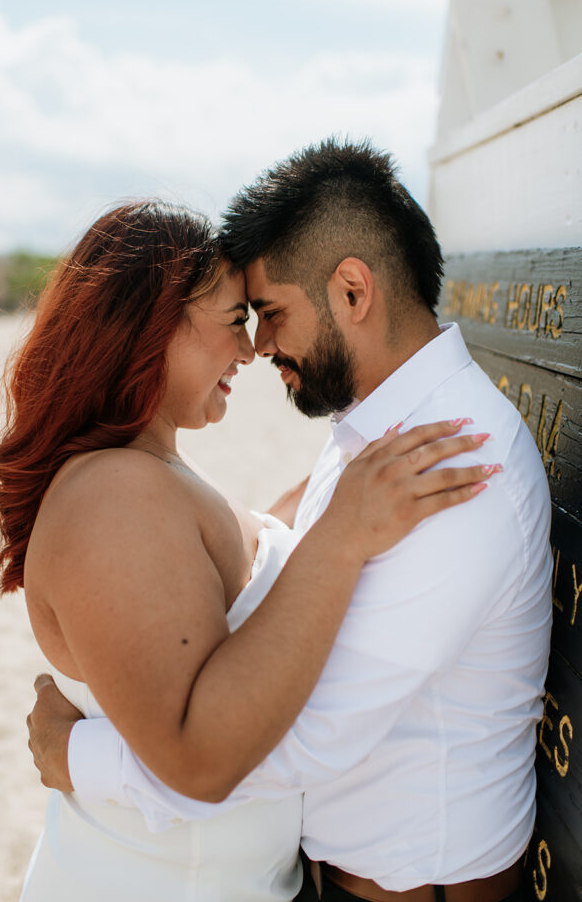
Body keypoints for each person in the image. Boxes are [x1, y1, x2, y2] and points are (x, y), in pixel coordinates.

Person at [28, 140, 553, 902]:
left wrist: (79, 759)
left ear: (352, 291)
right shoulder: (376, 439)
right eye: (243, 317)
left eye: (269, 313)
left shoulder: (454, 459)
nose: (260, 344)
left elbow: (307, 733)